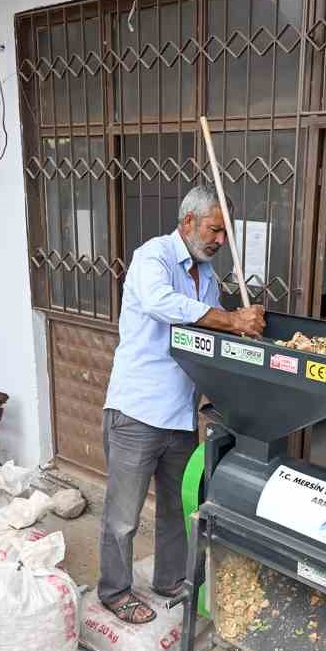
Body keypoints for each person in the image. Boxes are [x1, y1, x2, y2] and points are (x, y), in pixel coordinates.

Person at [97, 184, 265, 625]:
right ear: (188, 221)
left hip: (179, 415)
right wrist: (231, 319)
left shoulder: (205, 275)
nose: (220, 241)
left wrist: (244, 333)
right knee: (123, 516)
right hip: (137, 412)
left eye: (225, 233)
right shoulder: (152, 257)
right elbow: (163, 304)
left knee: (177, 507)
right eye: (214, 230)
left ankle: (170, 579)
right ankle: (114, 590)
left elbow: (210, 332)